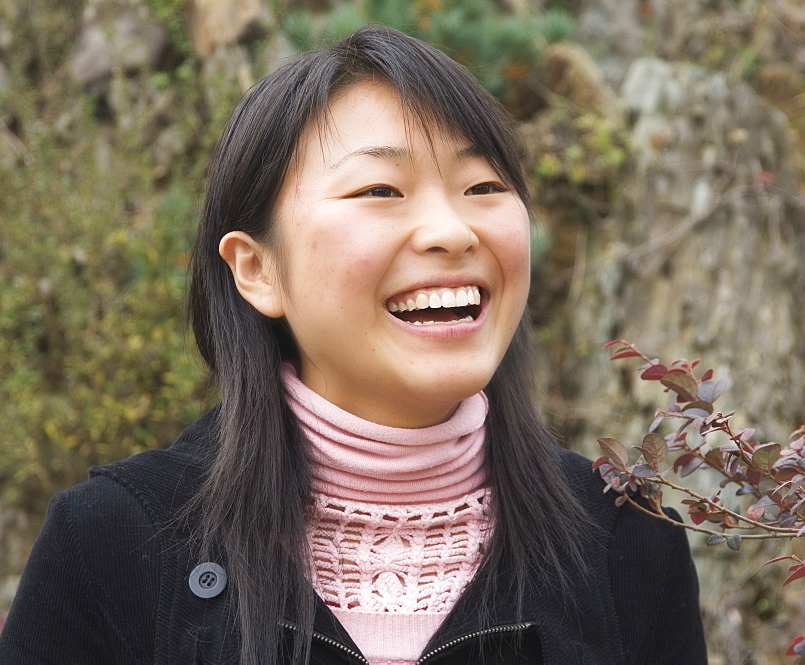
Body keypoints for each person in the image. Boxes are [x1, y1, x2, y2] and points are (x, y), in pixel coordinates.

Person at [0, 26, 706, 664]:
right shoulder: (111, 541)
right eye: (380, 189)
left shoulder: (627, 543)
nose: (452, 231)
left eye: (483, 184)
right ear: (257, 268)